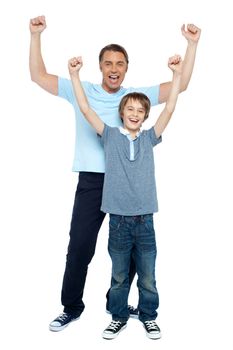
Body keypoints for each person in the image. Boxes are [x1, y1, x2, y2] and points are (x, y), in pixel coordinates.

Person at [29, 15, 201, 332]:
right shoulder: (81, 90)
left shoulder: (135, 98)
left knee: (133, 252)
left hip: (129, 186)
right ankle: (71, 306)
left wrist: (191, 44)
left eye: (119, 63)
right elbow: (38, 76)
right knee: (80, 246)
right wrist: (35, 35)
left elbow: (181, 86)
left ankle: (117, 303)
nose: (113, 68)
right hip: (93, 183)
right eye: (108, 62)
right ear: (100, 66)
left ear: (126, 68)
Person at [68, 53, 182, 339]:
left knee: (147, 275)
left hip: (144, 218)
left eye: (139, 110)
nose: (134, 113)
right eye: (129, 108)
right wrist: (74, 76)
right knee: (119, 275)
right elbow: (85, 109)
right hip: (118, 219)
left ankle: (148, 316)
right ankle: (117, 315)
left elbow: (168, 110)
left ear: (145, 116)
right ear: (122, 113)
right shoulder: (110, 136)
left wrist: (176, 74)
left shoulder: (148, 138)